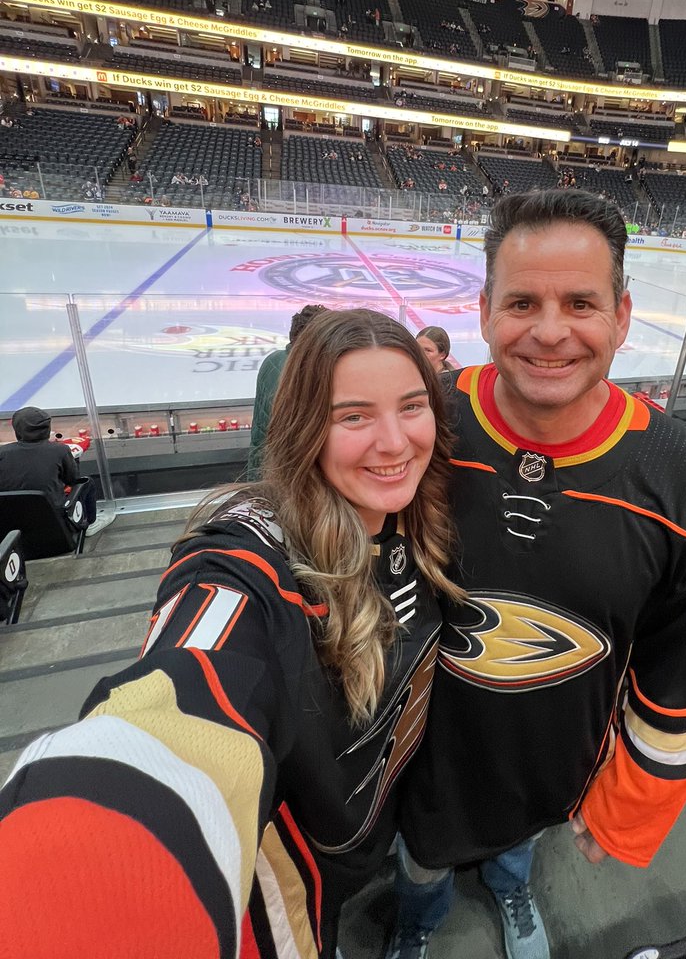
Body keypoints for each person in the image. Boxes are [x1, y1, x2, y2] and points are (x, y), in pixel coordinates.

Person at [0, 310, 461, 957]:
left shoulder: (436, 510)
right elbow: (179, 700)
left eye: (412, 406)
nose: (393, 441)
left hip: (400, 813)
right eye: (353, 416)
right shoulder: (249, 560)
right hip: (306, 874)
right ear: (305, 428)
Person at [386, 188, 686, 959]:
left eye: (580, 302)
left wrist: (634, 805)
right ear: (483, 311)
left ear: (622, 312)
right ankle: (415, 922)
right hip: (418, 759)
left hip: (555, 759)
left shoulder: (681, 476)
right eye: (522, 303)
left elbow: (684, 656)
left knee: (521, 845)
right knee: (418, 862)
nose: (550, 333)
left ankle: (510, 887)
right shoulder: (420, 424)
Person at [247, 304, 327, 479]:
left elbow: (260, 430)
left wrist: (253, 482)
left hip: (268, 468)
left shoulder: (271, 361)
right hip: (301, 476)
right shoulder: (318, 370)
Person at [0, 406, 108, 536]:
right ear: (47, 429)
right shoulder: (59, 450)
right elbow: (72, 480)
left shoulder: (2, 453)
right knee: (87, 482)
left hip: (13, 531)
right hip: (57, 531)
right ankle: (90, 523)